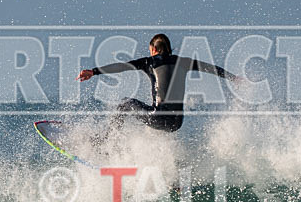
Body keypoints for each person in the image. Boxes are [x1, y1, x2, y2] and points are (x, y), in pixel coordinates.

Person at [76, 34, 243, 132]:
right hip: (177, 122)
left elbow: (121, 66)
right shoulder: (183, 62)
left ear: (154, 50)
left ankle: (106, 141)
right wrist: (233, 78)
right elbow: (210, 68)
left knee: (125, 104)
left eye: (150, 50)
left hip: (158, 117)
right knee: (156, 135)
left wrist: (94, 71)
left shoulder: (149, 62)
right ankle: (170, 176)